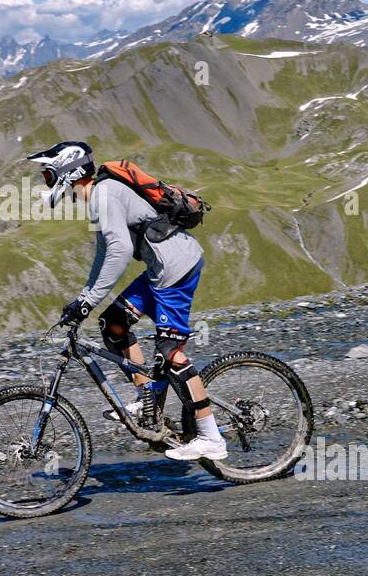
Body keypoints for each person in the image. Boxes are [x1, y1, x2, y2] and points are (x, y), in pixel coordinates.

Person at [27, 141, 226, 461]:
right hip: (160, 271)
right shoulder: (100, 197)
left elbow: (119, 252)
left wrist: (88, 301)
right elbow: (105, 253)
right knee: (114, 323)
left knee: (170, 353)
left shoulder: (103, 194)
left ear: (68, 171)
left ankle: (211, 437)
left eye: (50, 176)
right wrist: (82, 300)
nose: (48, 183)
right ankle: (148, 395)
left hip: (176, 270)